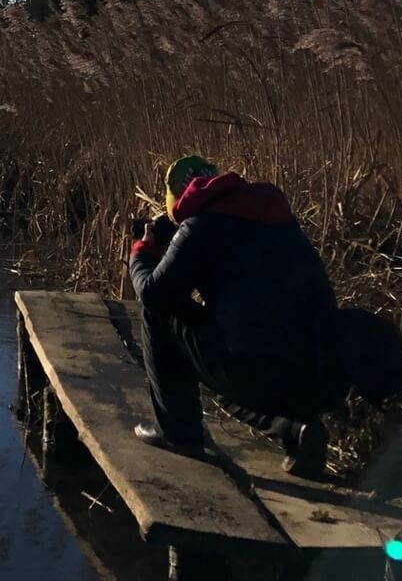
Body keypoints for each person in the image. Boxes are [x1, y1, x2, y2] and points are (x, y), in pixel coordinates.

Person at [129, 155, 337, 476]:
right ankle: (293, 429)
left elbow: (156, 295)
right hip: (318, 375)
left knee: (161, 313)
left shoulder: (200, 228)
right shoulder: (278, 218)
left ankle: (177, 434)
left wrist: (142, 253)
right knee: (237, 342)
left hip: (252, 373)